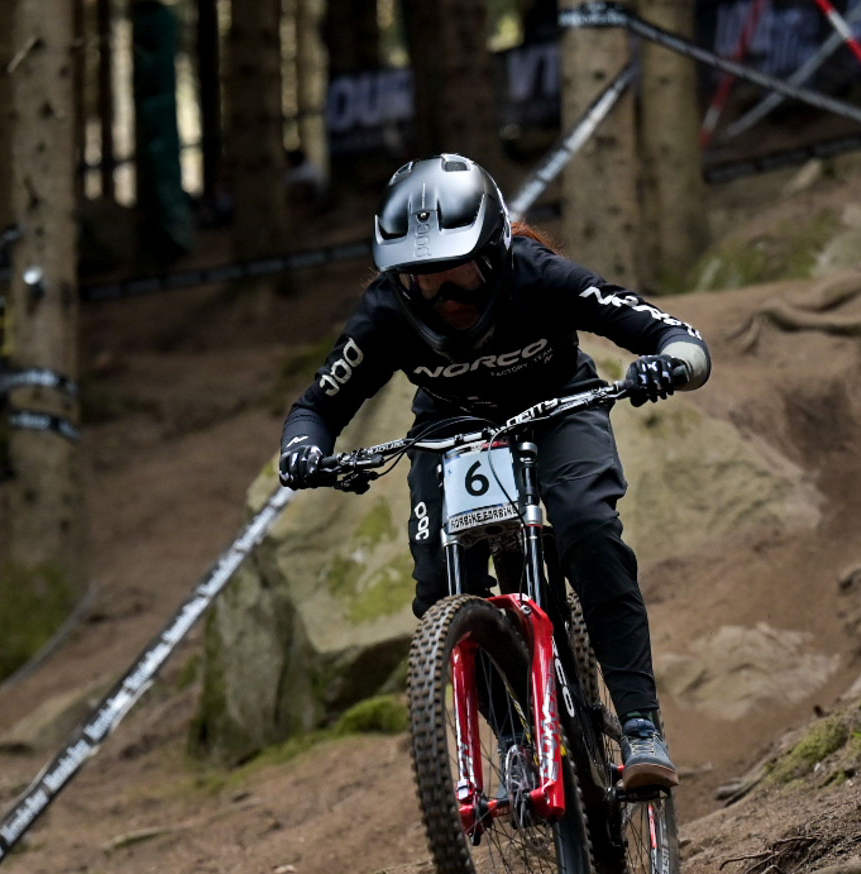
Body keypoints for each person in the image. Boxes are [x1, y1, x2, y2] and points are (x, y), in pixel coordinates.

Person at [276, 154, 709, 789]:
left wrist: (667, 362)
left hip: (559, 407)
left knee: (588, 526)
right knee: (438, 587)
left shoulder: (540, 276)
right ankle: (513, 744)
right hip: (449, 429)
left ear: (494, 251)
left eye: (457, 273)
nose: (444, 295)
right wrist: (302, 450)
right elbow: (316, 407)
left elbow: (675, 335)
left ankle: (642, 726)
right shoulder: (385, 313)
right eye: (422, 279)